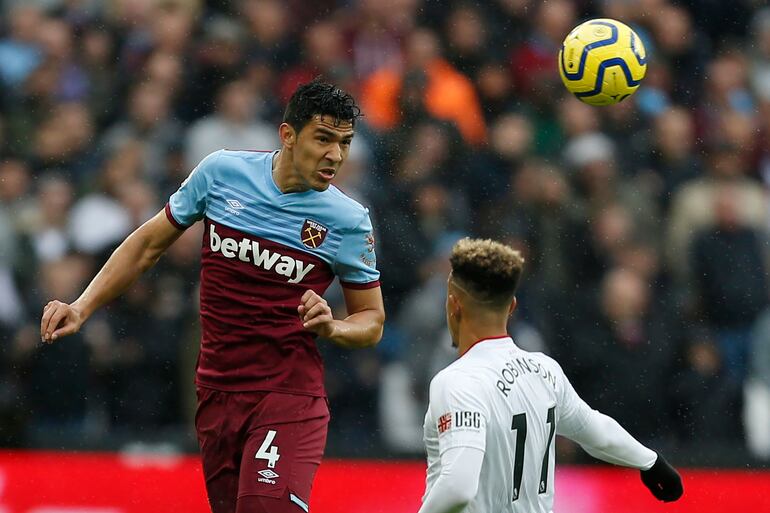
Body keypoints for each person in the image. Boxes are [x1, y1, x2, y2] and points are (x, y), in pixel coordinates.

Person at [39, 78, 385, 513]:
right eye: (323, 139)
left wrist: (332, 327)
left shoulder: (348, 220)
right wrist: (82, 305)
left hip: (287, 395)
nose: (335, 155)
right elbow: (148, 245)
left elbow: (371, 320)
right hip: (217, 391)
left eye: (344, 143)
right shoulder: (221, 173)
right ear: (288, 135)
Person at [418, 238, 682, 513]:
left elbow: (458, 487)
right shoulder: (544, 371)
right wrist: (650, 461)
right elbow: (594, 430)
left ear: (454, 305)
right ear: (512, 306)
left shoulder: (458, 382)